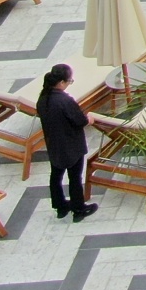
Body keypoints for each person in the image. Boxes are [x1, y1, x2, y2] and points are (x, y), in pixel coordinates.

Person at [36, 63, 97, 222]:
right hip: (71, 146)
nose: (70, 83)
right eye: (69, 81)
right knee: (75, 177)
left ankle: (60, 206)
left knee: (56, 176)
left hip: (54, 146)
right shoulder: (64, 100)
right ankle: (78, 209)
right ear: (61, 82)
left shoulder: (42, 99)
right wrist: (88, 119)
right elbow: (79, 120)